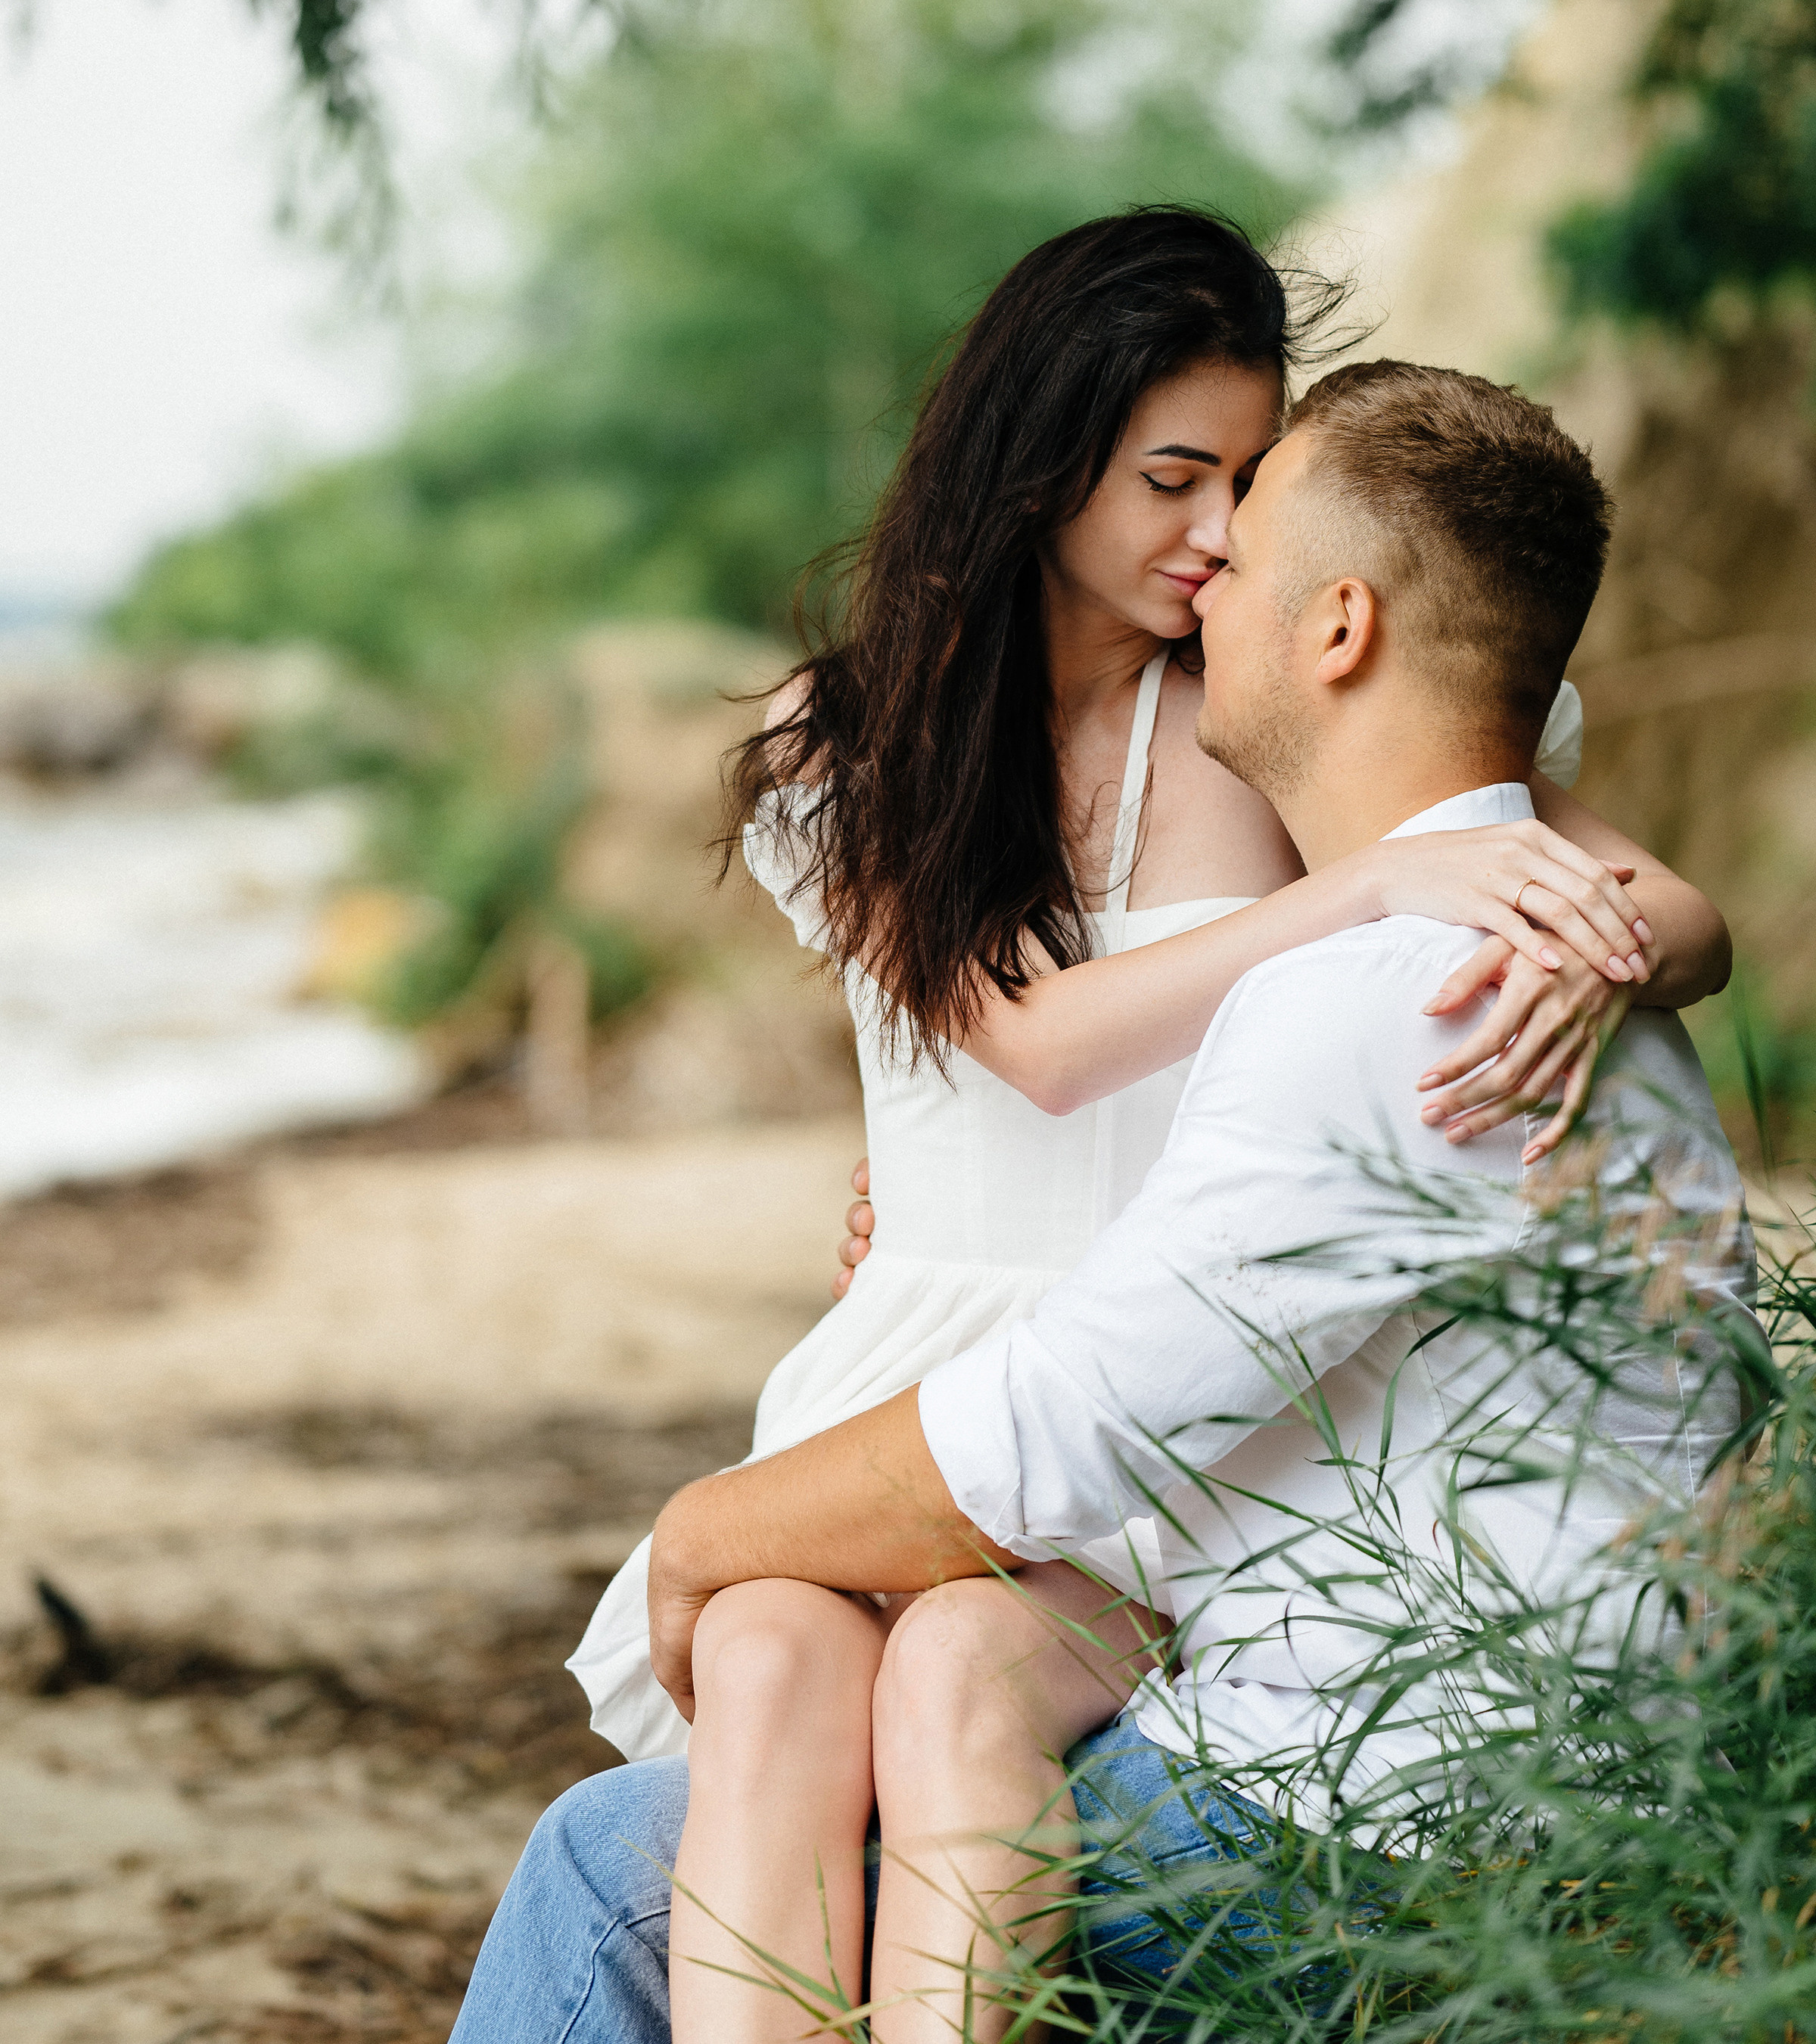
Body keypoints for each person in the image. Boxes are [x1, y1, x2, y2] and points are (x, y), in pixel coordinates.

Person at [449, 356, 1746, 2044]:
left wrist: (706, 1527)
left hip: (1367, 1815)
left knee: (614, 1865)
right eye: (1175, 490)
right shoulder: (1518, 954)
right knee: (869, 1708)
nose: (1213, 562)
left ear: (1338, 625)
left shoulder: (1402, 992)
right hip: (1476, 1726)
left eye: (1252, 514)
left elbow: (1066, 1430)